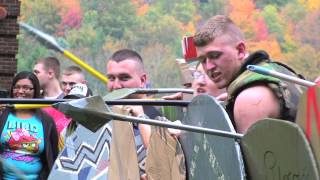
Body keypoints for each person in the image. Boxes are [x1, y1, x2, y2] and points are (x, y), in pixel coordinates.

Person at [193, 15, 304, 133]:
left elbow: (250, 152)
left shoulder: (249, 100)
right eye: (203, 60)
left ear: (240, 50)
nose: (209, 67)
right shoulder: (271, 71)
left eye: (215, 56)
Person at [106, 49, 161, 178]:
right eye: (111, 78)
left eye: (124, 78)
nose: (116, 86)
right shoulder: (103, 121)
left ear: (142, 80)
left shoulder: (159, 120)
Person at [0, 71, 59, 179]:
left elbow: (54, 155)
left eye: (26, 88)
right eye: (16, 87)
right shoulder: (3, 116)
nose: (20, 91)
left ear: (35, 91)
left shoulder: (46, 121)